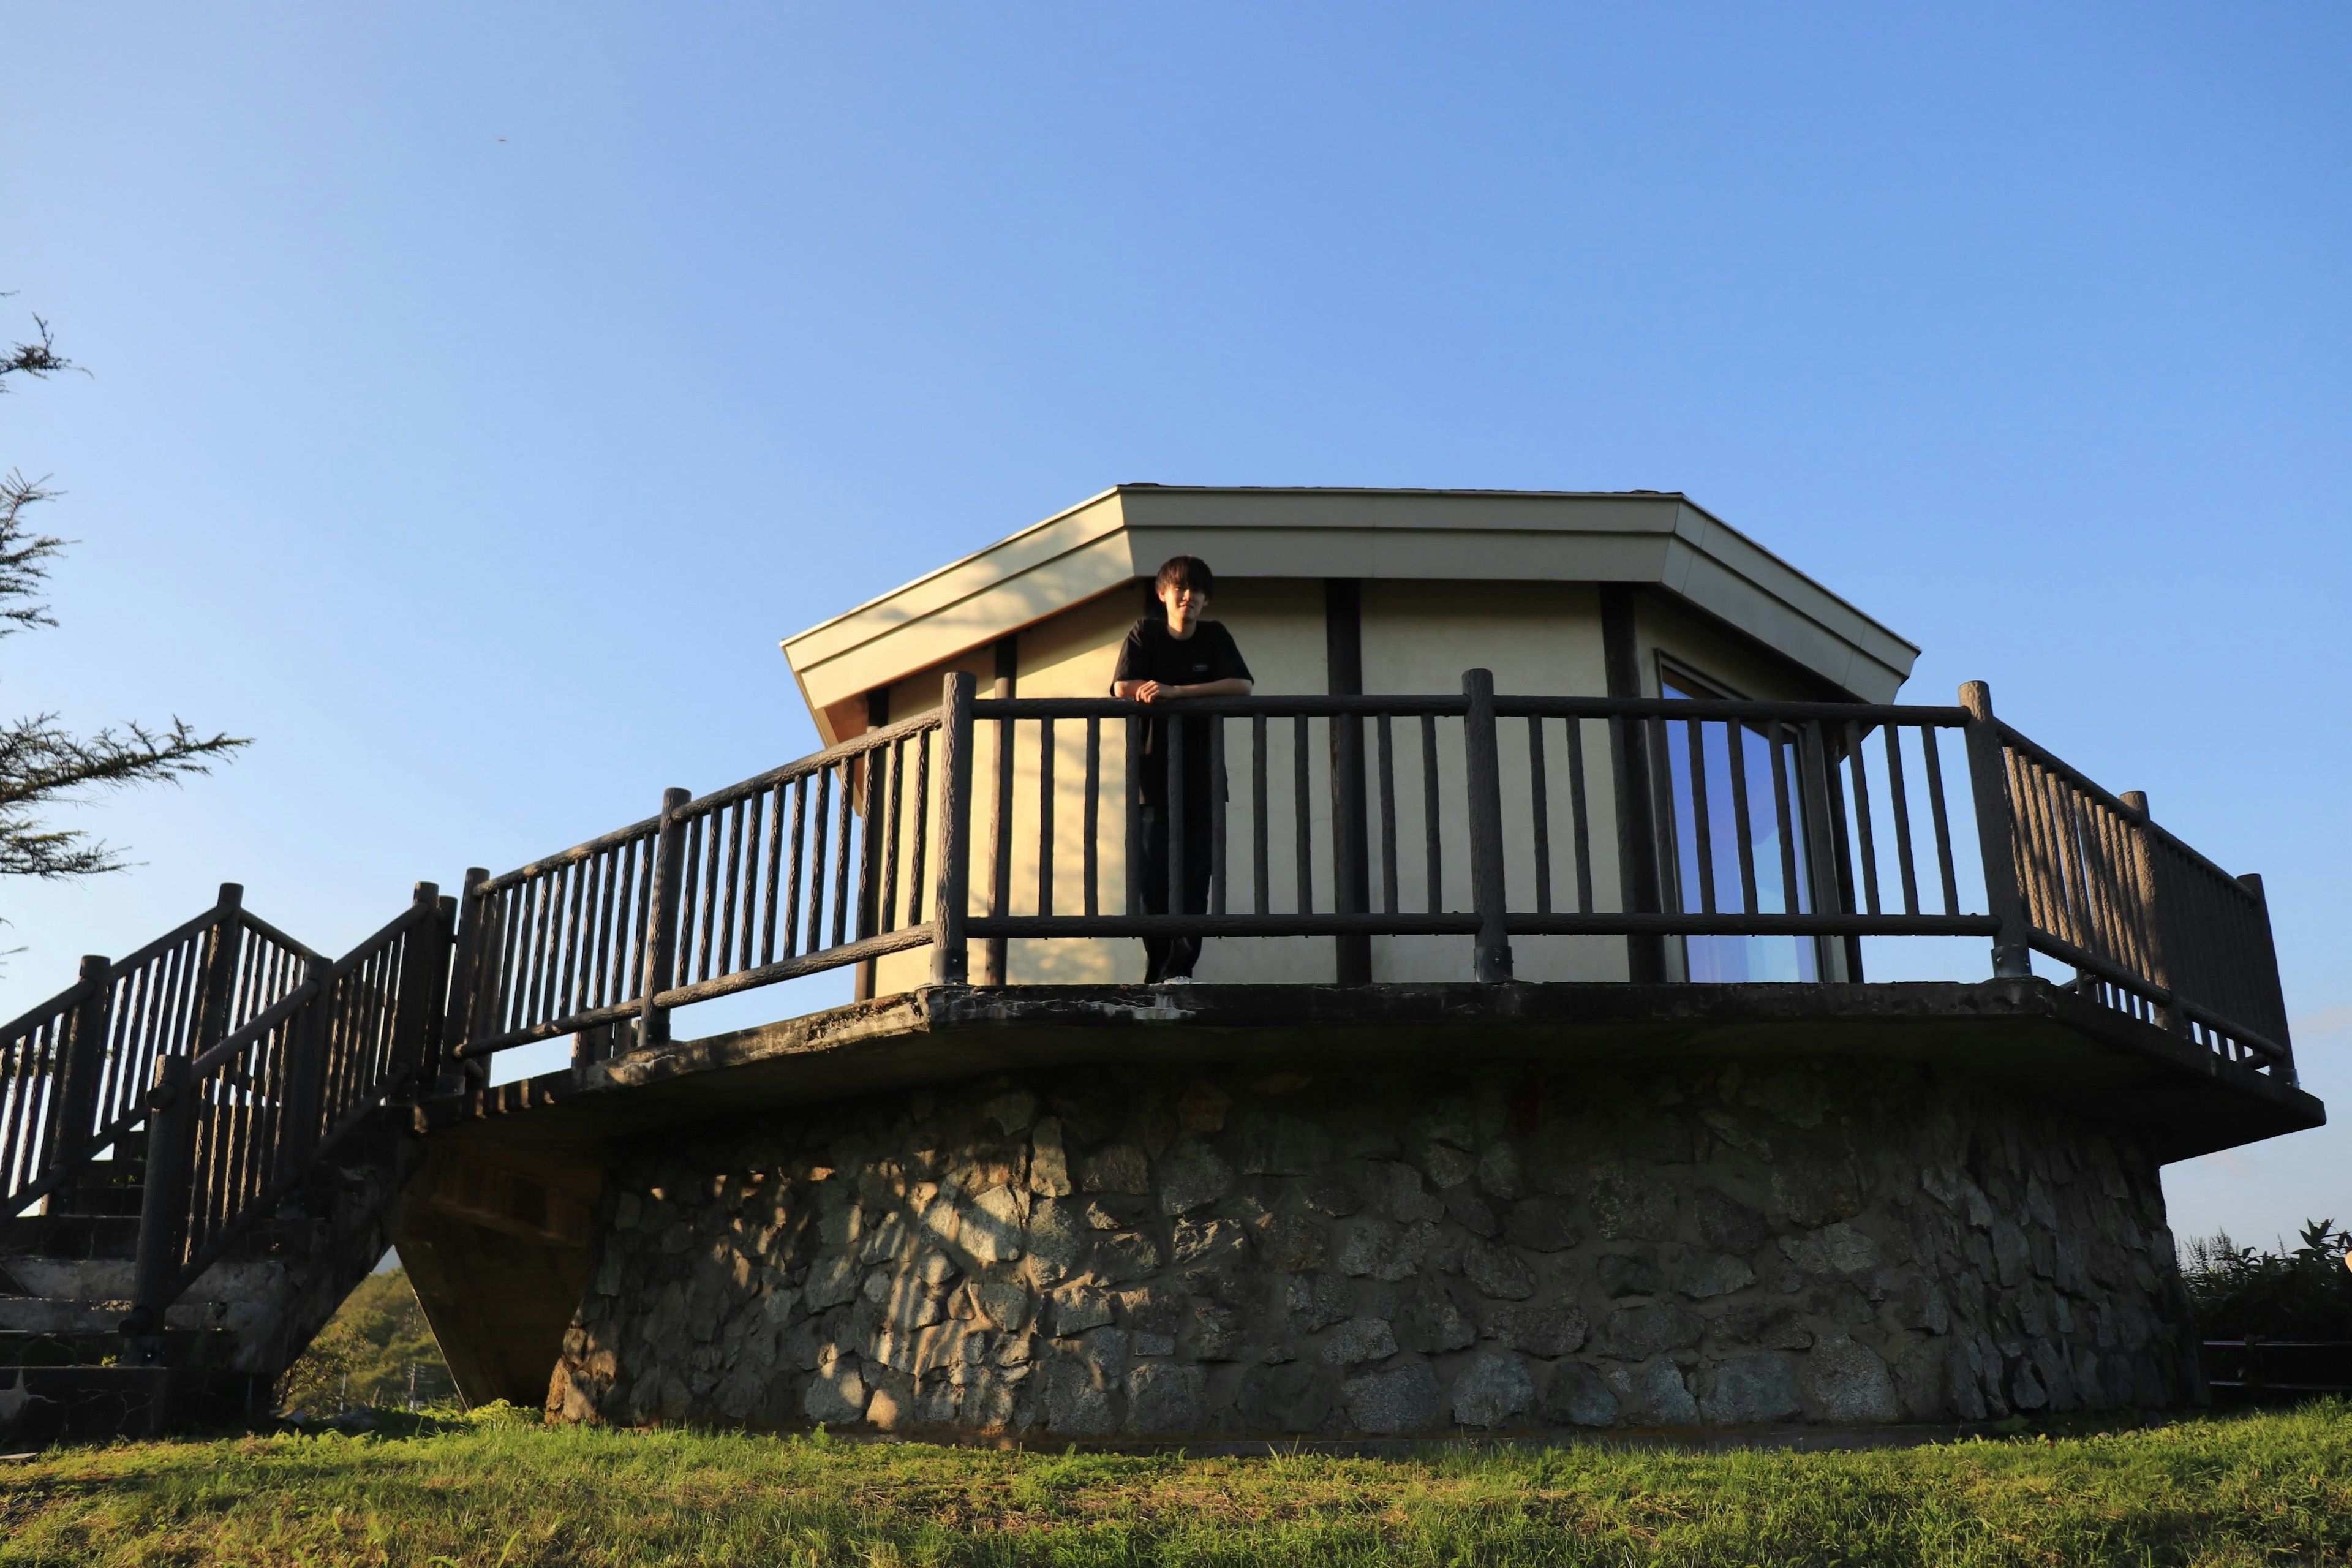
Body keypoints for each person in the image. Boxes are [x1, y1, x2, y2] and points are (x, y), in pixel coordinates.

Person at [1111, 556, 1253, 984]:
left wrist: (1175, 692)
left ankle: (1181, 968)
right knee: (1152, 878)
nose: (1187, 596)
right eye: (1179, 588)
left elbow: (1242, 686)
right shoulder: (1146, 632)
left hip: (1203, 776)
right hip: (1151, 778)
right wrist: (1153, 692)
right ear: (1163, 594)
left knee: (1194, 877)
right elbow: (1122, 686)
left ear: (1207, 600)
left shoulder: (1214, 637)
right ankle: (1158, 963)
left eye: (1197, 591)